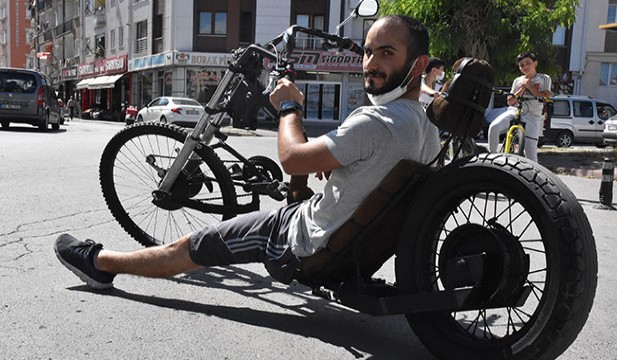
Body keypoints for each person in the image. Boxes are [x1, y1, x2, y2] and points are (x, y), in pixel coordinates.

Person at [54, 15, 441, 289]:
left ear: (418, 64)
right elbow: (364, 166)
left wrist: (289, 106)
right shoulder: (425, 131)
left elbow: (291, 158)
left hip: (295, 241)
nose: (370, 64)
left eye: (386, 53)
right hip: (345, 240)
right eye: (369, 52)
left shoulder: (377, 122)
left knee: (191, 247)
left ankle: (100, 263)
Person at [487, 52, 552, 162]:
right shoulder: (517, 80)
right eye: (521, 65)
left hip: (533, 115)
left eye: (528, 63)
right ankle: (492, 158)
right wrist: (521, 89)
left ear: (535, 63)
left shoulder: (544, 78)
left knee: (530, 152)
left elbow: (546, 97)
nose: (525, 67)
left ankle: (533, 176)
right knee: (494, 127)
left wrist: (530, 87)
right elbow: (510, 101)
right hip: (515, 111)